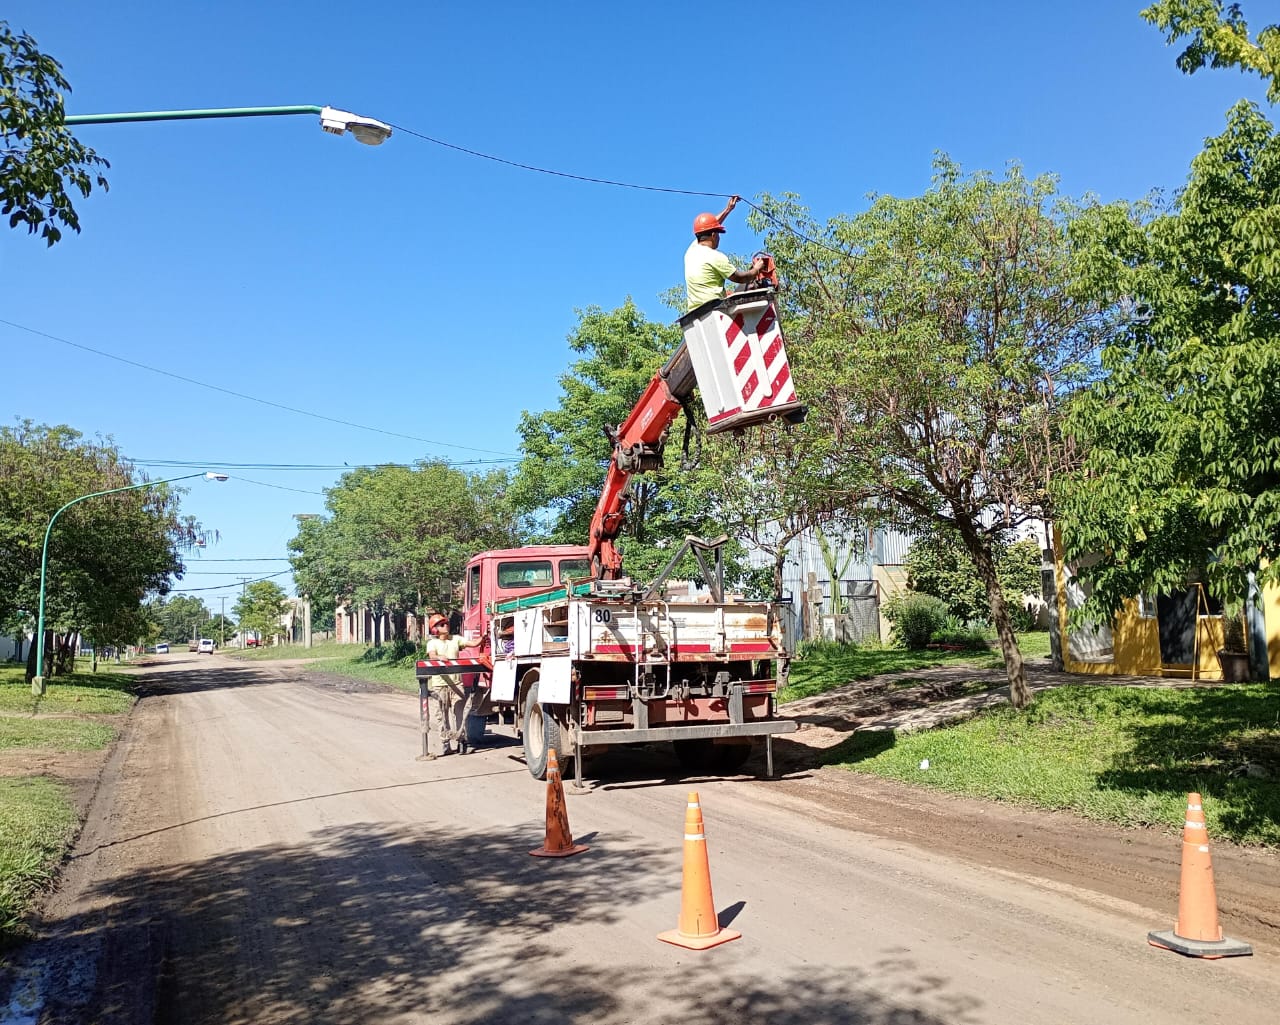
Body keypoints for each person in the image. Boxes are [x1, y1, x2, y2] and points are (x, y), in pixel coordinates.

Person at [684, 195, 766, 310]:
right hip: (714, 309)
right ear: (714, 235)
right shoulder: (714, 257)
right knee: (749, 288)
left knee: (735, 293)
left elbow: (706, 228)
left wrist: (728, 209)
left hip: (695, 312)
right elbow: (740, 278)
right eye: (718, 234)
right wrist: (756, 269)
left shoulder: (692, 251)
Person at [423, 613, 484, 758]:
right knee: (442, 716)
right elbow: (432, 655)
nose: (446, 626)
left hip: (456, 684)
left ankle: (462, 742)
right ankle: (446, 744)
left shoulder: (456, 639)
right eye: (442, 624)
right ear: (435, 629)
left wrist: (483, 637)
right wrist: (439, 658)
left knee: (459, 714)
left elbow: (474, 643)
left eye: (446, 623)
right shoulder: (432, 643)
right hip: (440, 686)